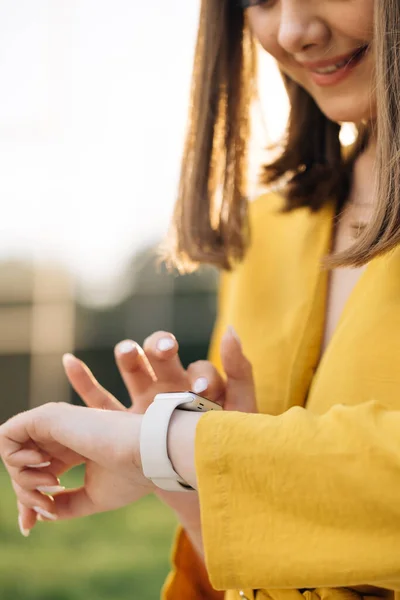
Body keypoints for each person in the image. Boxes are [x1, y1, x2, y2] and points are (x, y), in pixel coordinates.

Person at [2, 0, 400, 599]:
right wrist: (180, 481)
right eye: (259, 1)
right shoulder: (265, 230)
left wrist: (169, 444)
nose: (293, 31)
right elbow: (258, 566)